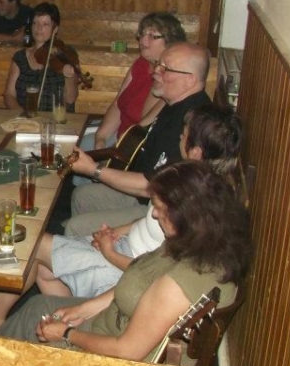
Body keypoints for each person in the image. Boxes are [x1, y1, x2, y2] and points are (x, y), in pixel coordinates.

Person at [0, 105, 242, 332]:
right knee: (46, 270)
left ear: (196, 151)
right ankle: (64, 318)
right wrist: (116, 232)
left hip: (123, 266)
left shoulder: (189, 207)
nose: (179, 134)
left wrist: (110, 251)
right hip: (123, 249)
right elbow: (148, 225)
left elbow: (151, 273)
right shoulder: (197, 185)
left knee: (35, 245)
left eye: (184, 133)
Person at [0, 160, 252, 366]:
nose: (154, 213)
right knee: (38, 306)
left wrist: (66, 334)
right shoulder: (194, 243)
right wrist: (84, 309)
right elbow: (139, 276)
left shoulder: (181, 282)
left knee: (30, 326)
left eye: (160, 207)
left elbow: (127, 351)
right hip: (110, 322)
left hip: (116, 361)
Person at [62, 41, 212, 237]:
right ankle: (89, 248)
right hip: (145, 196)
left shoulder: (192, 124)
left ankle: (93, 248)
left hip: (160, 212)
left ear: (189, 80)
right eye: (158, 65)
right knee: (82, 195)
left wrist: (94, 170)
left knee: (75, 226)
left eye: (165, 69)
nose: (156, 71)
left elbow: (150, 187)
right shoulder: (173, 102)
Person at [89, 13, 187, 150]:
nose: (142, 40)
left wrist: (111, 151)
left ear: (170, 41)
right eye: (142, 34)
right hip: (117, 139)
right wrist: (100, 139)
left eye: (152, 35)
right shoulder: (141, 63)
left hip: (135, 149)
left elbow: (143, 127)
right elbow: (118, 105)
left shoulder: (169, 78)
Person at [2, 2, 79, 112]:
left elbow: (70, 99)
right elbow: (9, 95)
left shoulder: (67, 55)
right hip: (26, 118)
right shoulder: (20, 57)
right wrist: (23, 115)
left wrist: (69, 77)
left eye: (45, 24)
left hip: (57, 119)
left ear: (55, 29)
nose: (38, 28)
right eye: (35, 23)